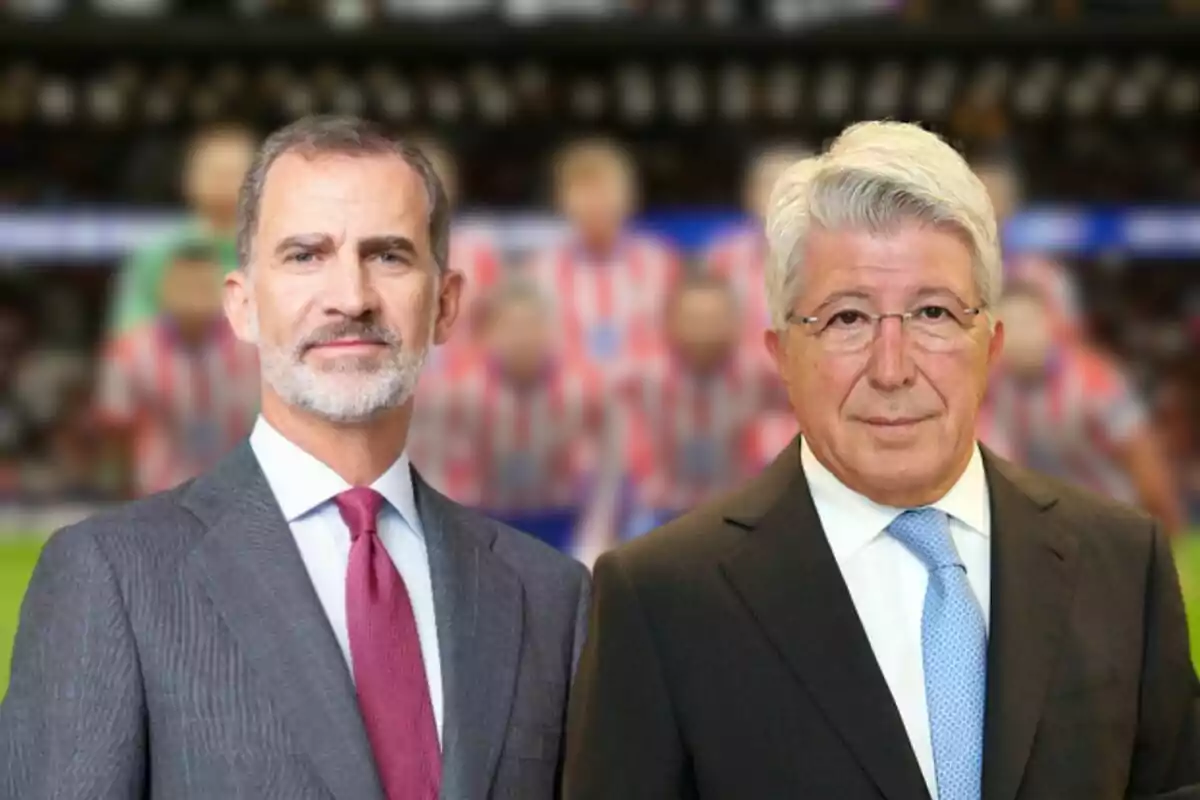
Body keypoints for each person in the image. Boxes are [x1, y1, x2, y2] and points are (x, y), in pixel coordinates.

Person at [565, 121, 1200, 800]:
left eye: (932, 313)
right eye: (846, 319)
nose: (892, 369)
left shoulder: (1122, 565)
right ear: (782, 356)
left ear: (991, 344)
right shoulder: (660, 600)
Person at [2, 115, 591, 800]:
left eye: (389, 255)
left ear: (447, 304)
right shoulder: (112, 579)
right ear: (243, 305)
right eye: (305, 255)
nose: (351, 297)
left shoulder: (549, 597)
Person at [413, 279, 620, 559]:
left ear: (549, 330)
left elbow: (612, 455)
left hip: (559, 515)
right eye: (511, 326)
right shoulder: (459, 390)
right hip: (486, 516)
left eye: (531, 326)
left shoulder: (580, 388)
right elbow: (428, 458)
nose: (522, 337)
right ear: (489, 334)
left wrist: (597, 526)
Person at [980, 281, 1184, 535]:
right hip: (1052, 527)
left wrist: (1165, 537)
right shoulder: (997, 384)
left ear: (1050, 324)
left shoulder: (1094, 383)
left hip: (1112, 525)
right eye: (1010, 326)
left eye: (1028, 323)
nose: (1021, 337)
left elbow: (1145, 463)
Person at [618, 274, 786, 538]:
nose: (705, 331)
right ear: (669, 323)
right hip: (663, 514)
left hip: (733, 513)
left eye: (715, 320)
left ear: (735, 323)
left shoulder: (759, 376)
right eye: (694, 320)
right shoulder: (642, 380)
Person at [94, 240, 260, 498]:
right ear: (164, 289)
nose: (193, 296)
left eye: (202, 286)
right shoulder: (131, 352)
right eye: (184, 286)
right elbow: (116, 429)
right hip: (160, 495)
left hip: (242, 496)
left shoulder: (255, 348)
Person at [525, 137, 681, 368]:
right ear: (561, 201)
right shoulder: (540, 270)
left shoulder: (659, 263)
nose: (595, 203)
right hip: (569, 397)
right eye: (583, 192)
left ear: (630, 197)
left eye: (605, 190)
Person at [107, 122, 257, 335]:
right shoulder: (156, 253)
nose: (224, 182)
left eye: (233, 173)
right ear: (189, 179)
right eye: (215, 172)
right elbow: (129, 331)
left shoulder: (272, 250)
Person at [409, 134, 505, 374]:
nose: (429, 195)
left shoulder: (478, 249)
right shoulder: (382, 250)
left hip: (469, 384)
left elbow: (495, 323)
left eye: (437, 183)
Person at [704, 142, 812, 339]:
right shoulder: (722, 255)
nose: (782, 197)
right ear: (750, 195)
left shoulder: (835, 254)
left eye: (794, 187)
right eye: (770, 185)